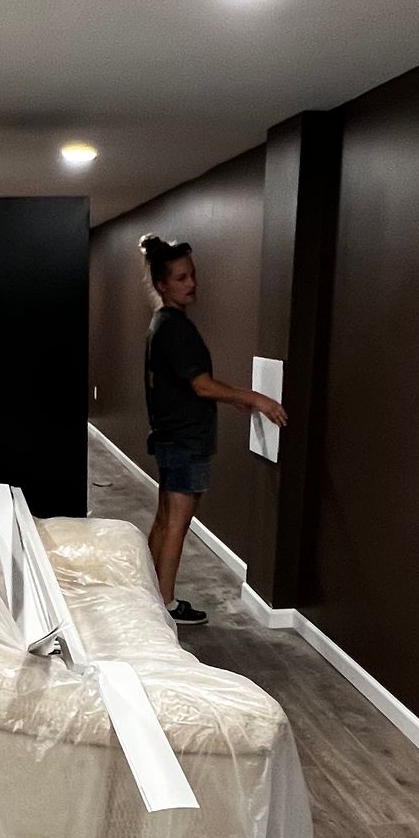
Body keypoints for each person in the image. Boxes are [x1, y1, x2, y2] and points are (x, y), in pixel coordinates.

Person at [139, 233, 286, 624]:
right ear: (162, 285)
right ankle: (165, 607)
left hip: (172, 435)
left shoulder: (162, 324)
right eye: (182, 278)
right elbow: (200, 384)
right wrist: (256, 398)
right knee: (176, 523)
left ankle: (150, 597)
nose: (191, 284)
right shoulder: (176, 329)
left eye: (192, 275)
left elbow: (193, 384)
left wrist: (233, 397)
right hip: (186, 439)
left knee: (165, 517)